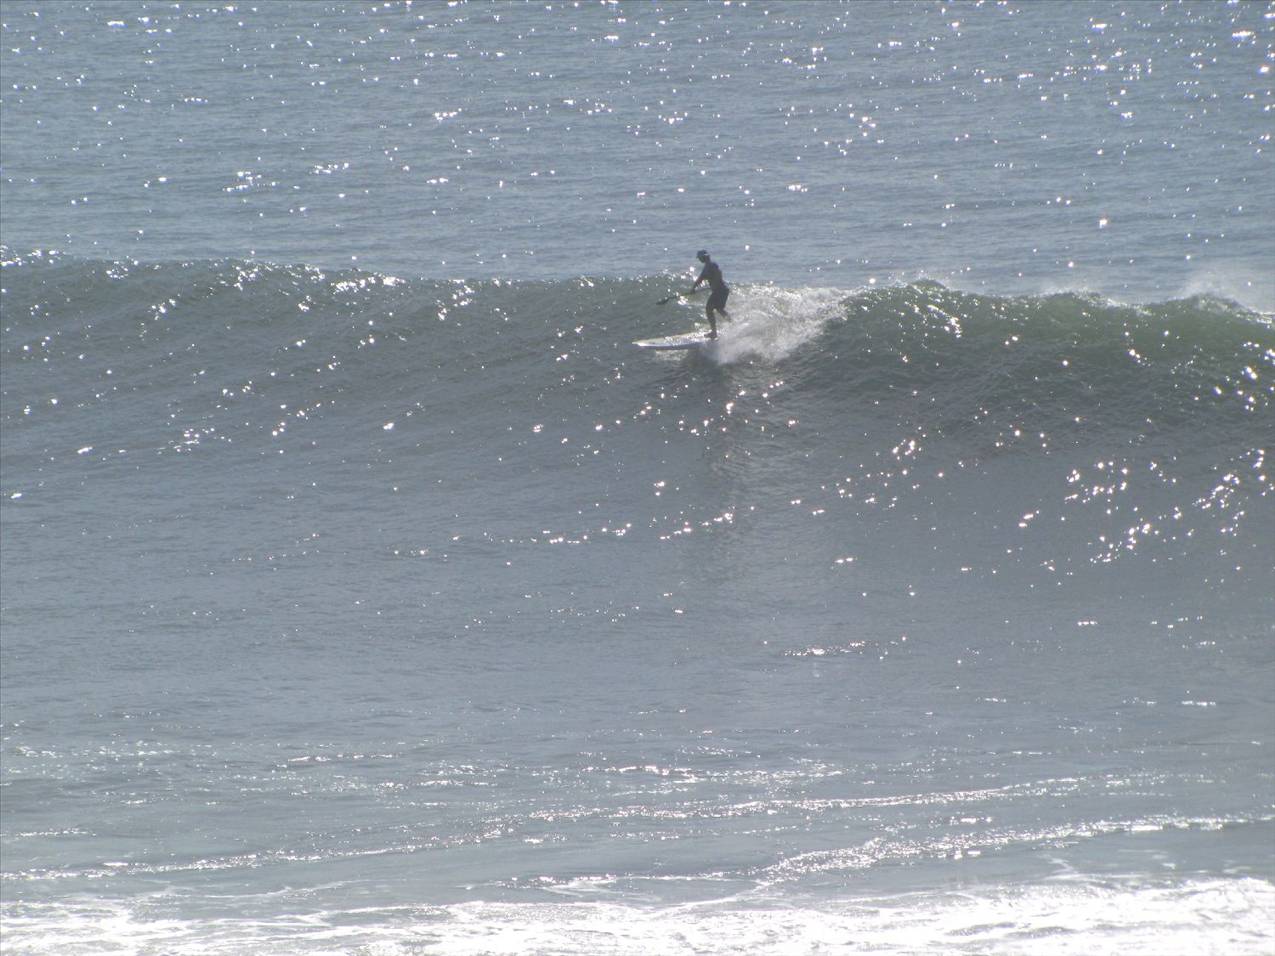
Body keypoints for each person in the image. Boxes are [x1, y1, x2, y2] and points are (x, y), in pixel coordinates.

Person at [689, 250, 729, 339]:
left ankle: (714, 333)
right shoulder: (706, 267)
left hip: (720, 290)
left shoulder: (712, 265)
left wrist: (715, 284)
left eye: (700, 258)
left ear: (704, 257)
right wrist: (693, 288)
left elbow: (719, 273)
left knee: (708, 309)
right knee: (719, 309)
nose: (699, 260)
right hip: (721, 291)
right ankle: (732, 323)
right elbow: (700, 279)